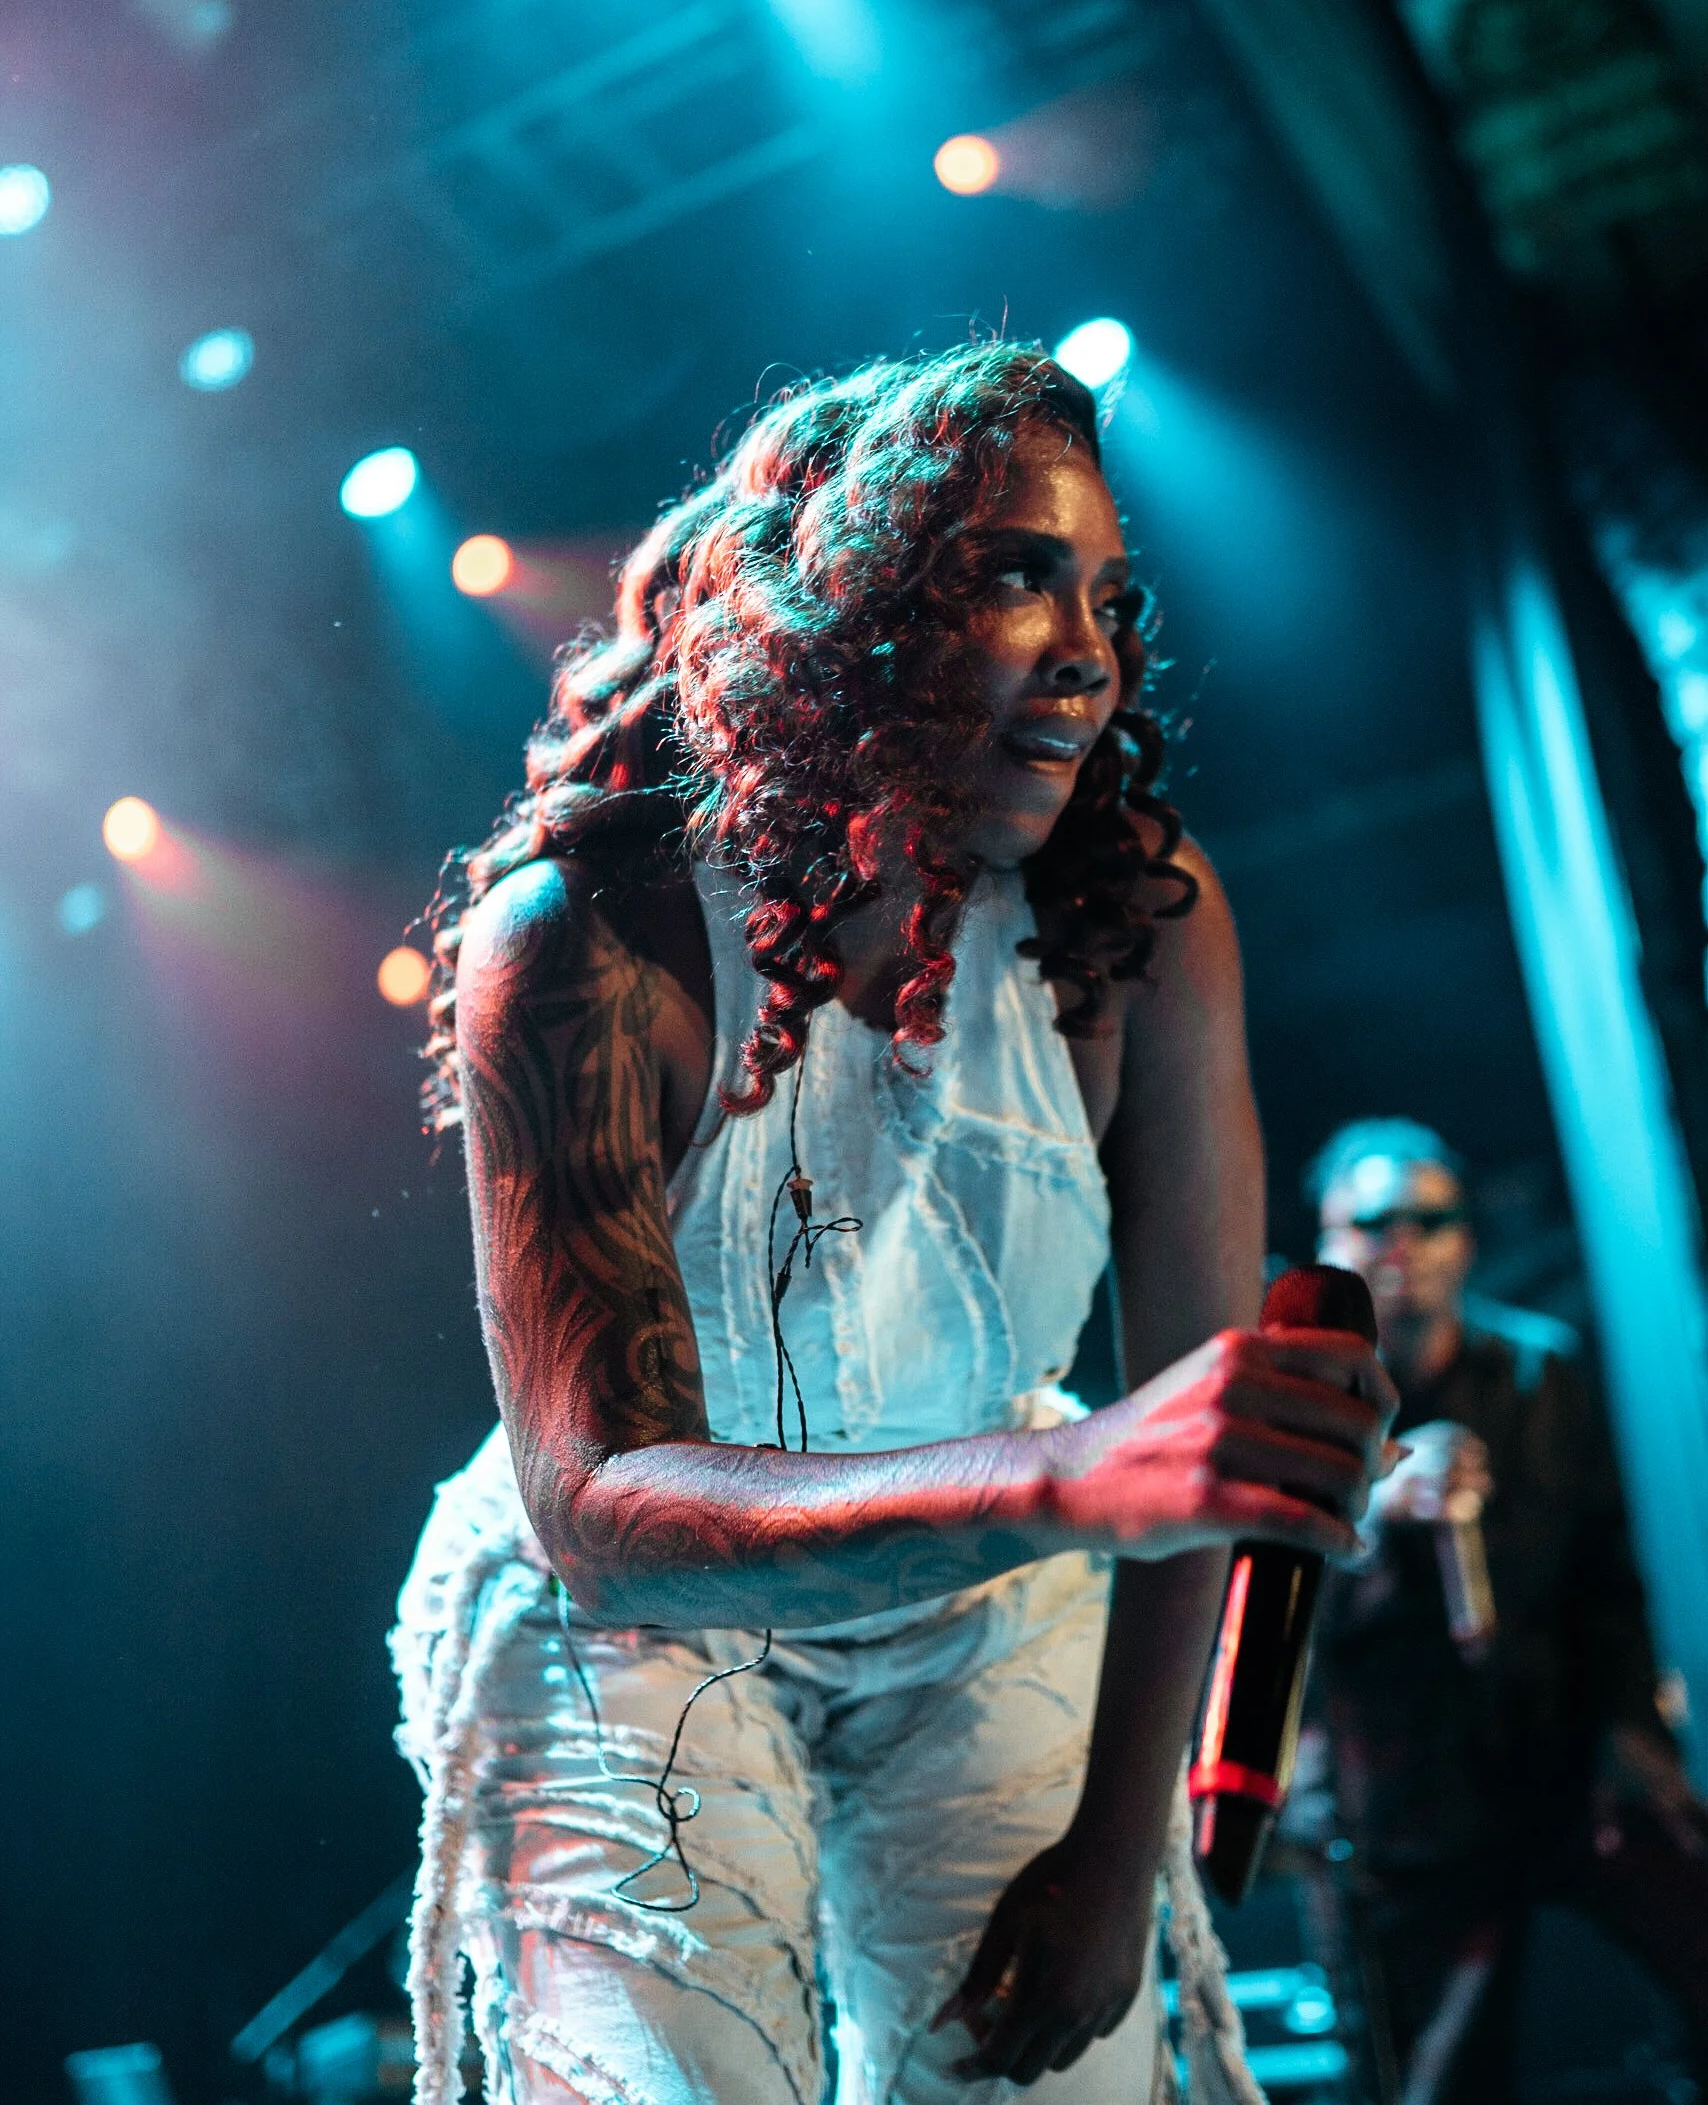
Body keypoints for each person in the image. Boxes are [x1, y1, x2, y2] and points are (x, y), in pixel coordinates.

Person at [389, 342, 1396, 2105]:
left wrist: (1113, 1842)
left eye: (1105, 593)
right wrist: (1081, 1472)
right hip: (635, 1621)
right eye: (1013, 571)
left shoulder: (1138, 922)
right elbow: (602, 1513)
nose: (1085, 648)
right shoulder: (585, 931)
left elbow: (1193, 1440)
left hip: (992, 1600)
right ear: (840, 604)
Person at [1302, 1117, 1708, 2104]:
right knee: (1436, 2075)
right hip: (1404, 1812)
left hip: (1561, 1767)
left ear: (1467, 1238)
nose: (1403, 1245)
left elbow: (1604, 1572)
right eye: (1374, 1222)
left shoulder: (1537, 1372)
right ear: (1324, 1243)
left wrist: (1633, 1732)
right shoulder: (1290, 1401)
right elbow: (1262, 1621)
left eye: (1431, 1220)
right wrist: (1372, 1509)